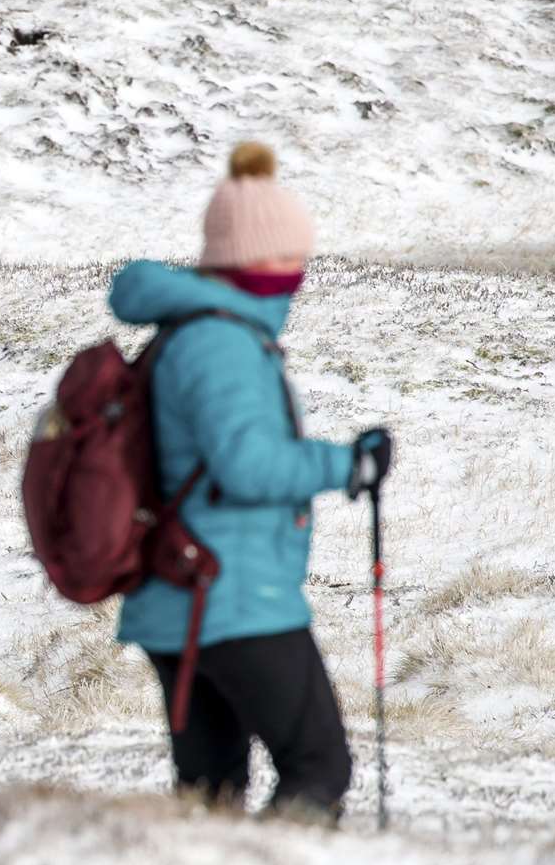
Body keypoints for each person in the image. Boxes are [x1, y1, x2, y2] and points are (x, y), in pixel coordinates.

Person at [107, 142, 393, 821]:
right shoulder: (220, 343)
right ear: (250, 260)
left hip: (180, 595)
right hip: (228, 594)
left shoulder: (195, 331)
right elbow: (246, 464)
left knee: (210, 792)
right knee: (317, 766)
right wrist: (347, 466)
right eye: (287, 256)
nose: (298, 272)